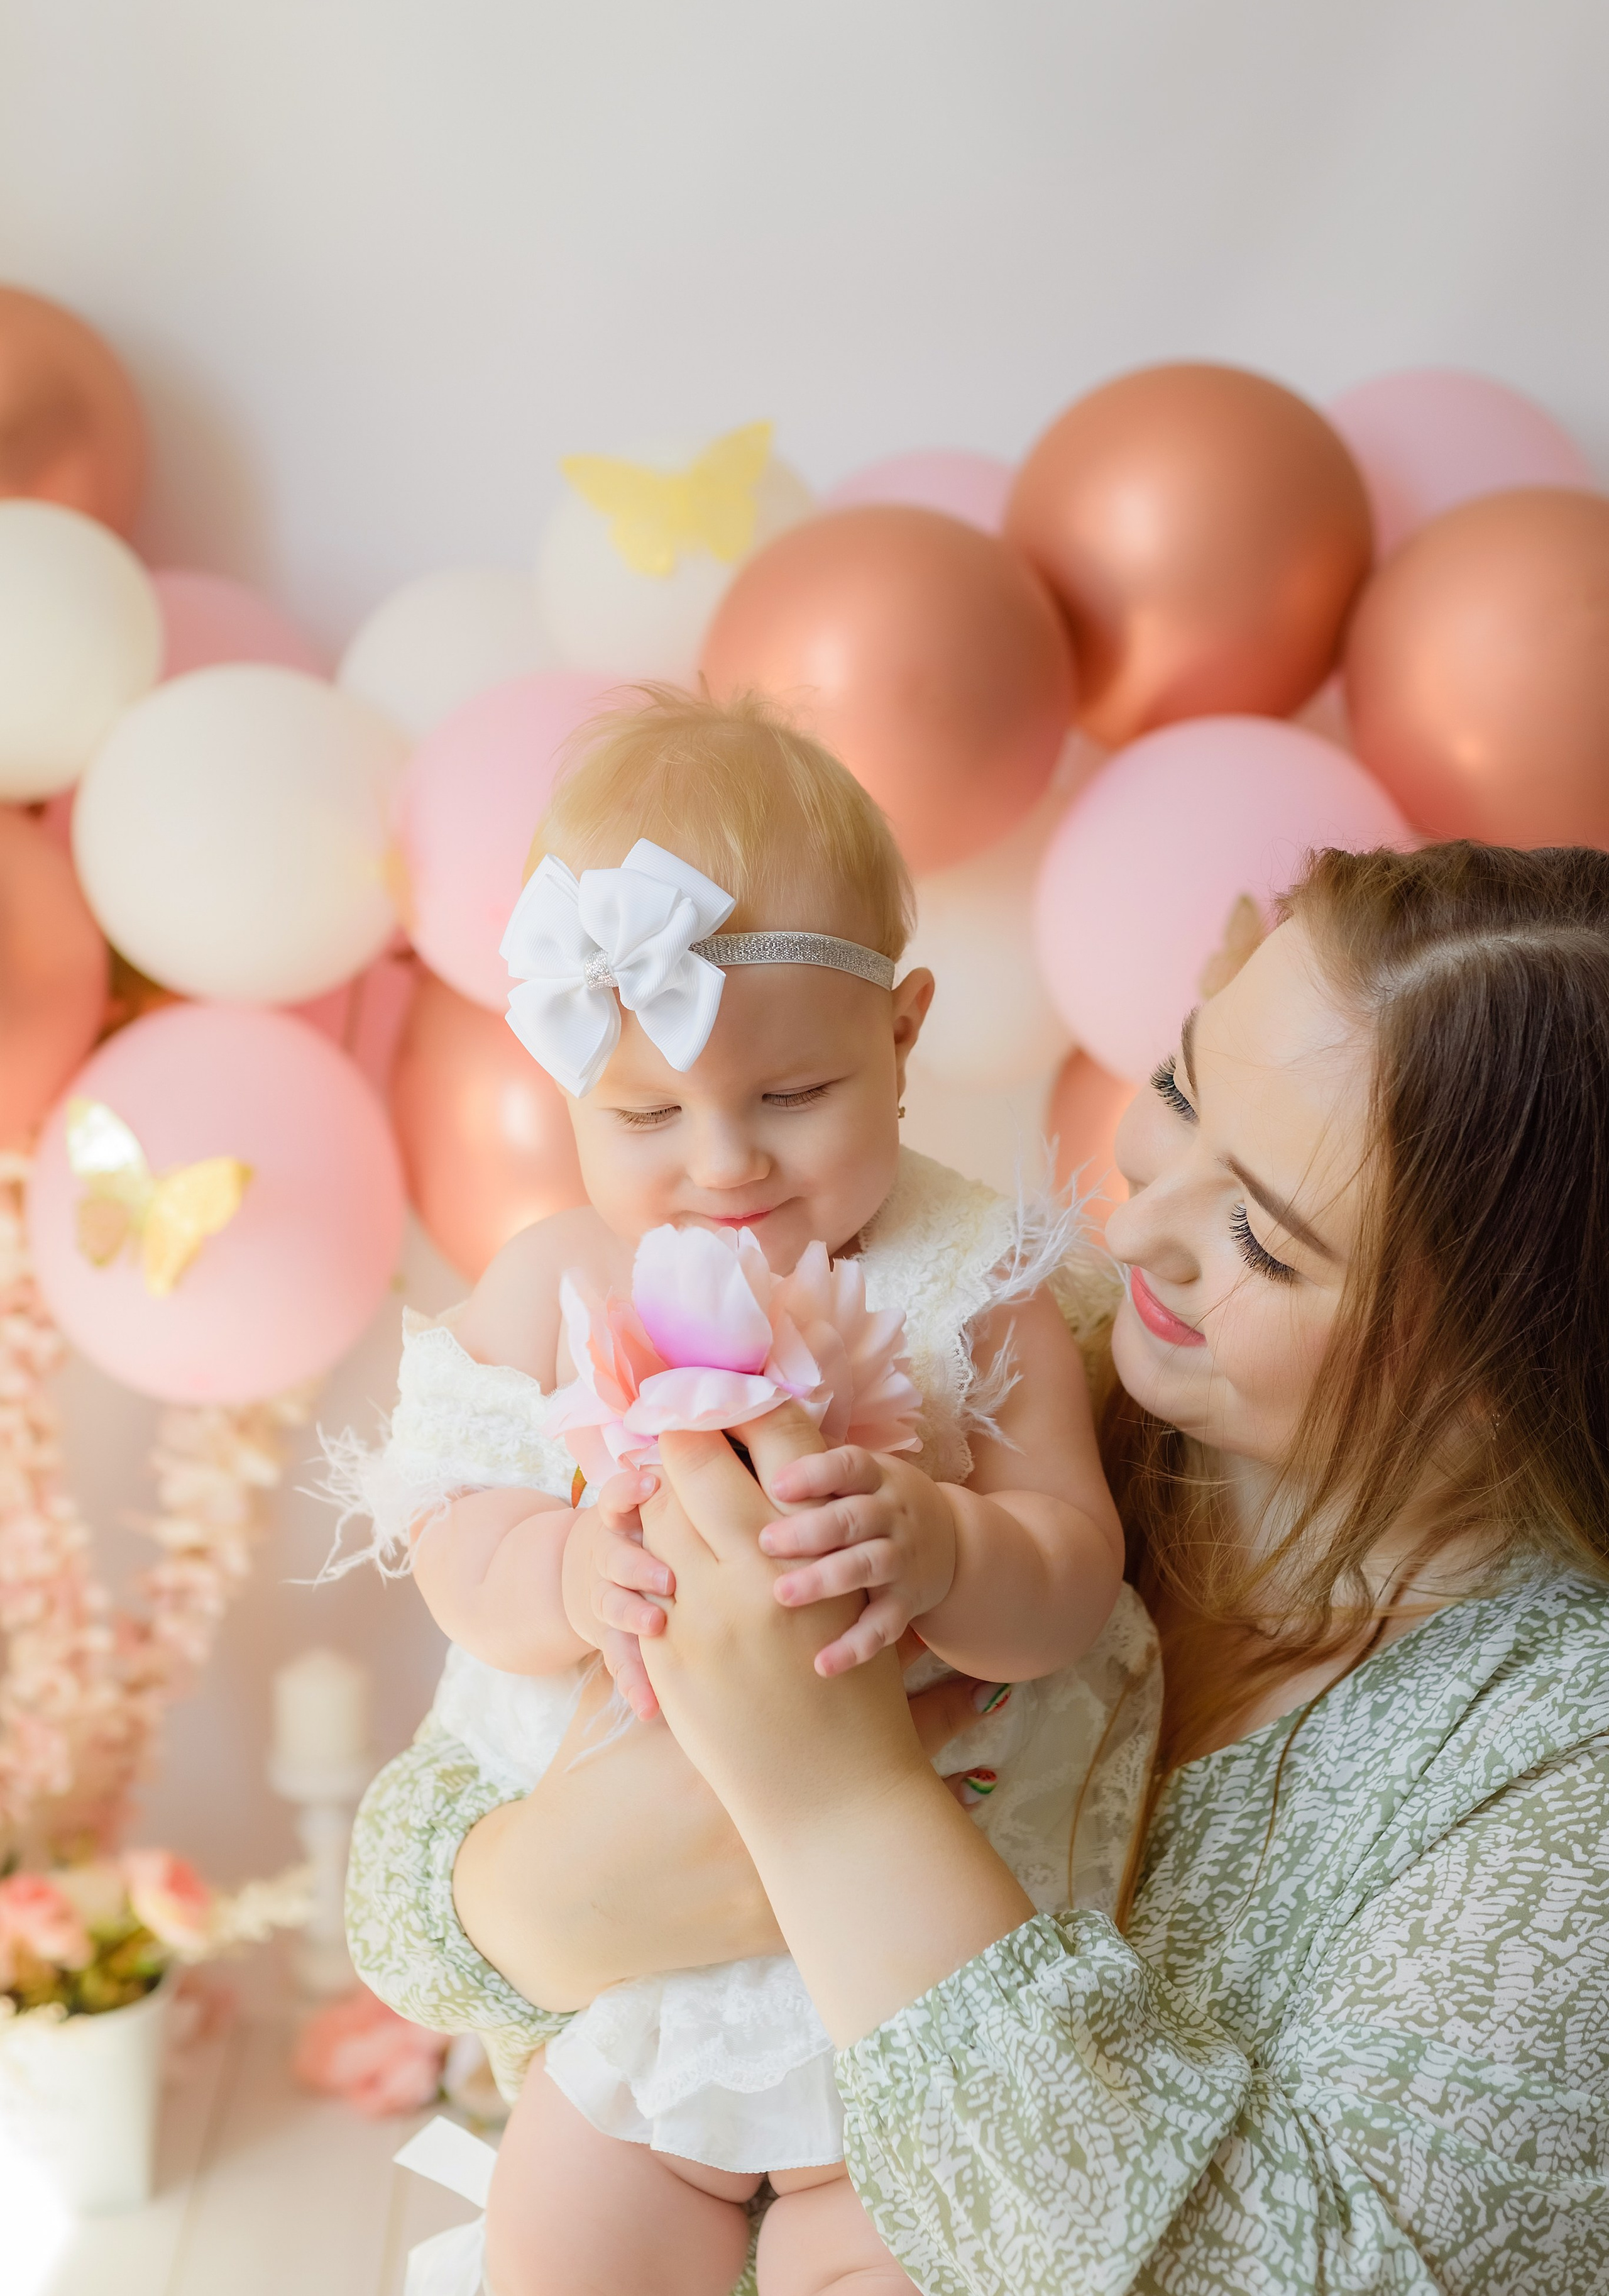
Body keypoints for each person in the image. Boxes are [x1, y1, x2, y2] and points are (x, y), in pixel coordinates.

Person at [437, 838, 1609, 2295]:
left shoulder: (1555, 1767)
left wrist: (837, 1807)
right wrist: (528, 1897)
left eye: (1261, 1230)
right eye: (1177, 1092)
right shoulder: (1015, 1340)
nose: (1138, 1221)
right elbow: (413, 1854)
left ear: (1505, 1372)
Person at [338, 688, 1156, 2296]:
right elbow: (446, 1521)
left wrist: (946, 1546)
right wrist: (560, 1570)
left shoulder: (974, 1277)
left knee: (913, 2254)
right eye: (644, 1115)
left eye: (790, 1098)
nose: (724, 1166)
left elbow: (1071, 1574)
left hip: (903, 2000)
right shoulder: (554, 1279)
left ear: (902, 1034)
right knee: (564, 2256)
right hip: (637, 1989)